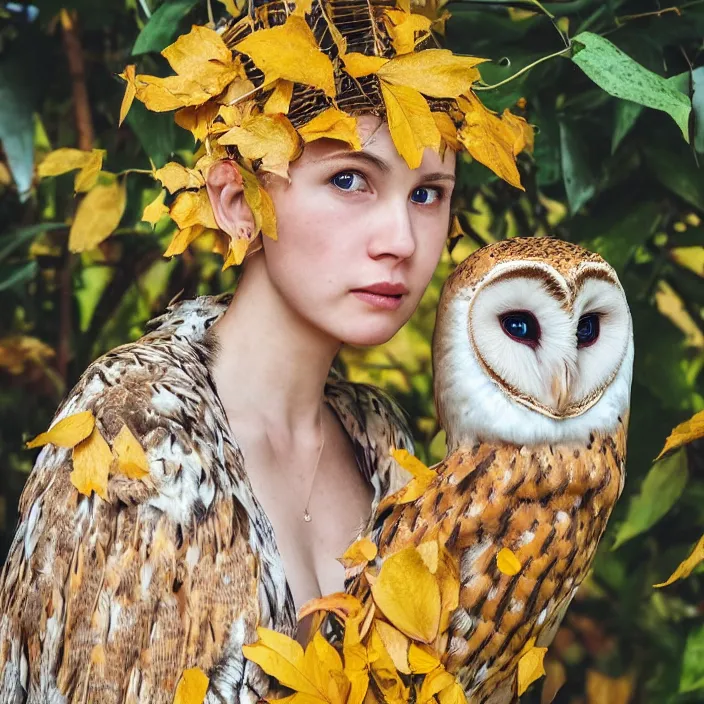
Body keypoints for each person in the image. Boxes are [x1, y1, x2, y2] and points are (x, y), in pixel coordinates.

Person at [0, 0, 530, 701]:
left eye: (428, 194)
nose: (401, 240)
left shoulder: (383, 443)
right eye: (349, 180)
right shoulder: (134, 434)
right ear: (236, 201)